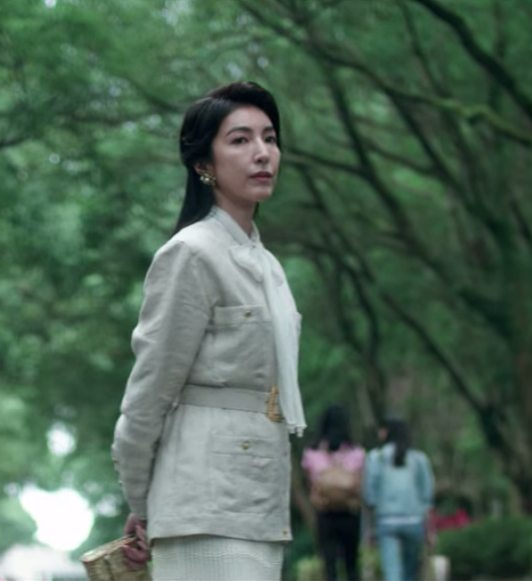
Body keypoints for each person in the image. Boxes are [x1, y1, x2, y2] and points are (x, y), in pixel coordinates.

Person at [111, 81, 306, 581]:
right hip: (203, 500)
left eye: (269, 138)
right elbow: (150, 389)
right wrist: (143, 500)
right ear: (204, 163)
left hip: (261, 500)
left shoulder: (269, 268)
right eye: (240, 140)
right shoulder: (191, 253)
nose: (262, 152)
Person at [363, 418, 434, 581]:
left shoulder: (376, 457)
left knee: (392, 572)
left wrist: (369, 526)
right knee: (411, 571)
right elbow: (427, 496)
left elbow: (370, 495)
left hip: (386, 521)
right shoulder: (419, 459)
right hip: (414, 521)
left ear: (386, 433)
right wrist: (429, 527)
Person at [302, 405, 365, 581]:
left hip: (325, 514)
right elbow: (359, 485)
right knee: (352, 564)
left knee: (329, 564)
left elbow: (311, 485)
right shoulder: (356, 452)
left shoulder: (312, 453)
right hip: (350, 513)